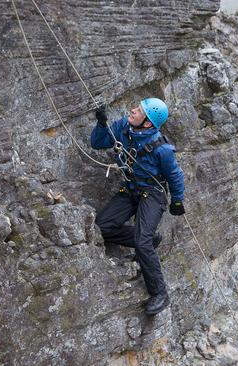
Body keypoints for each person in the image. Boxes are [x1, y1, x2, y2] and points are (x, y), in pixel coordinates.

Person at [90, 98, 185, 316]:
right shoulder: (124, 126)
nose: (133, 111)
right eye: (136, 107)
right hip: (131, 188)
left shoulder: (163, 149)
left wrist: (177, 200)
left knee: (141, 243)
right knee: (101, 227)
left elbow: (175, 175)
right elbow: (97, 143)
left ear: (148, 123)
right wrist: (102, 125)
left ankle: (160, 293)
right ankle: (148, 240)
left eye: (139, 111)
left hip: (152, 194)